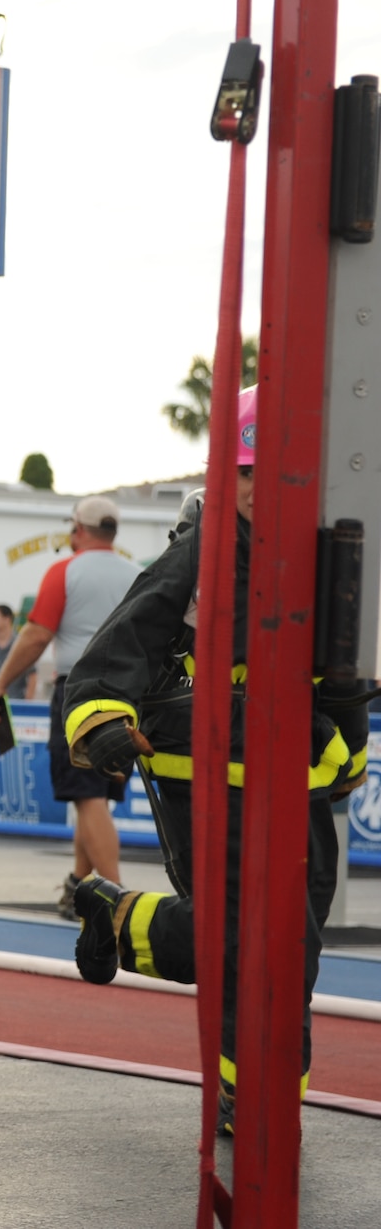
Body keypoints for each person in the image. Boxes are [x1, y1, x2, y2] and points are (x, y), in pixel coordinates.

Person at [58, 388, 367, 1133]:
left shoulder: (327, 552)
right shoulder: (197, 555)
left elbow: (346, 673)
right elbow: (114, 655)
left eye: (274, 470)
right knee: (241, 938)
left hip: (297, 787)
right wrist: (102, 719)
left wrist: (350, 749)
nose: (260, 489)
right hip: (208, 782)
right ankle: (250, 1100)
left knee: (293, 946)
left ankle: (116, 915)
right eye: (246, 472)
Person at [0, 495, 142, 918]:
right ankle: (79, 886)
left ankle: (114, 901)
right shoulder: (138, 575)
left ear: (78, 529)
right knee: (95, 796)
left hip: (79, 689)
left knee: (86, 795)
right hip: (126, 694)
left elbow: (36, 636)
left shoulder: (64, 572)